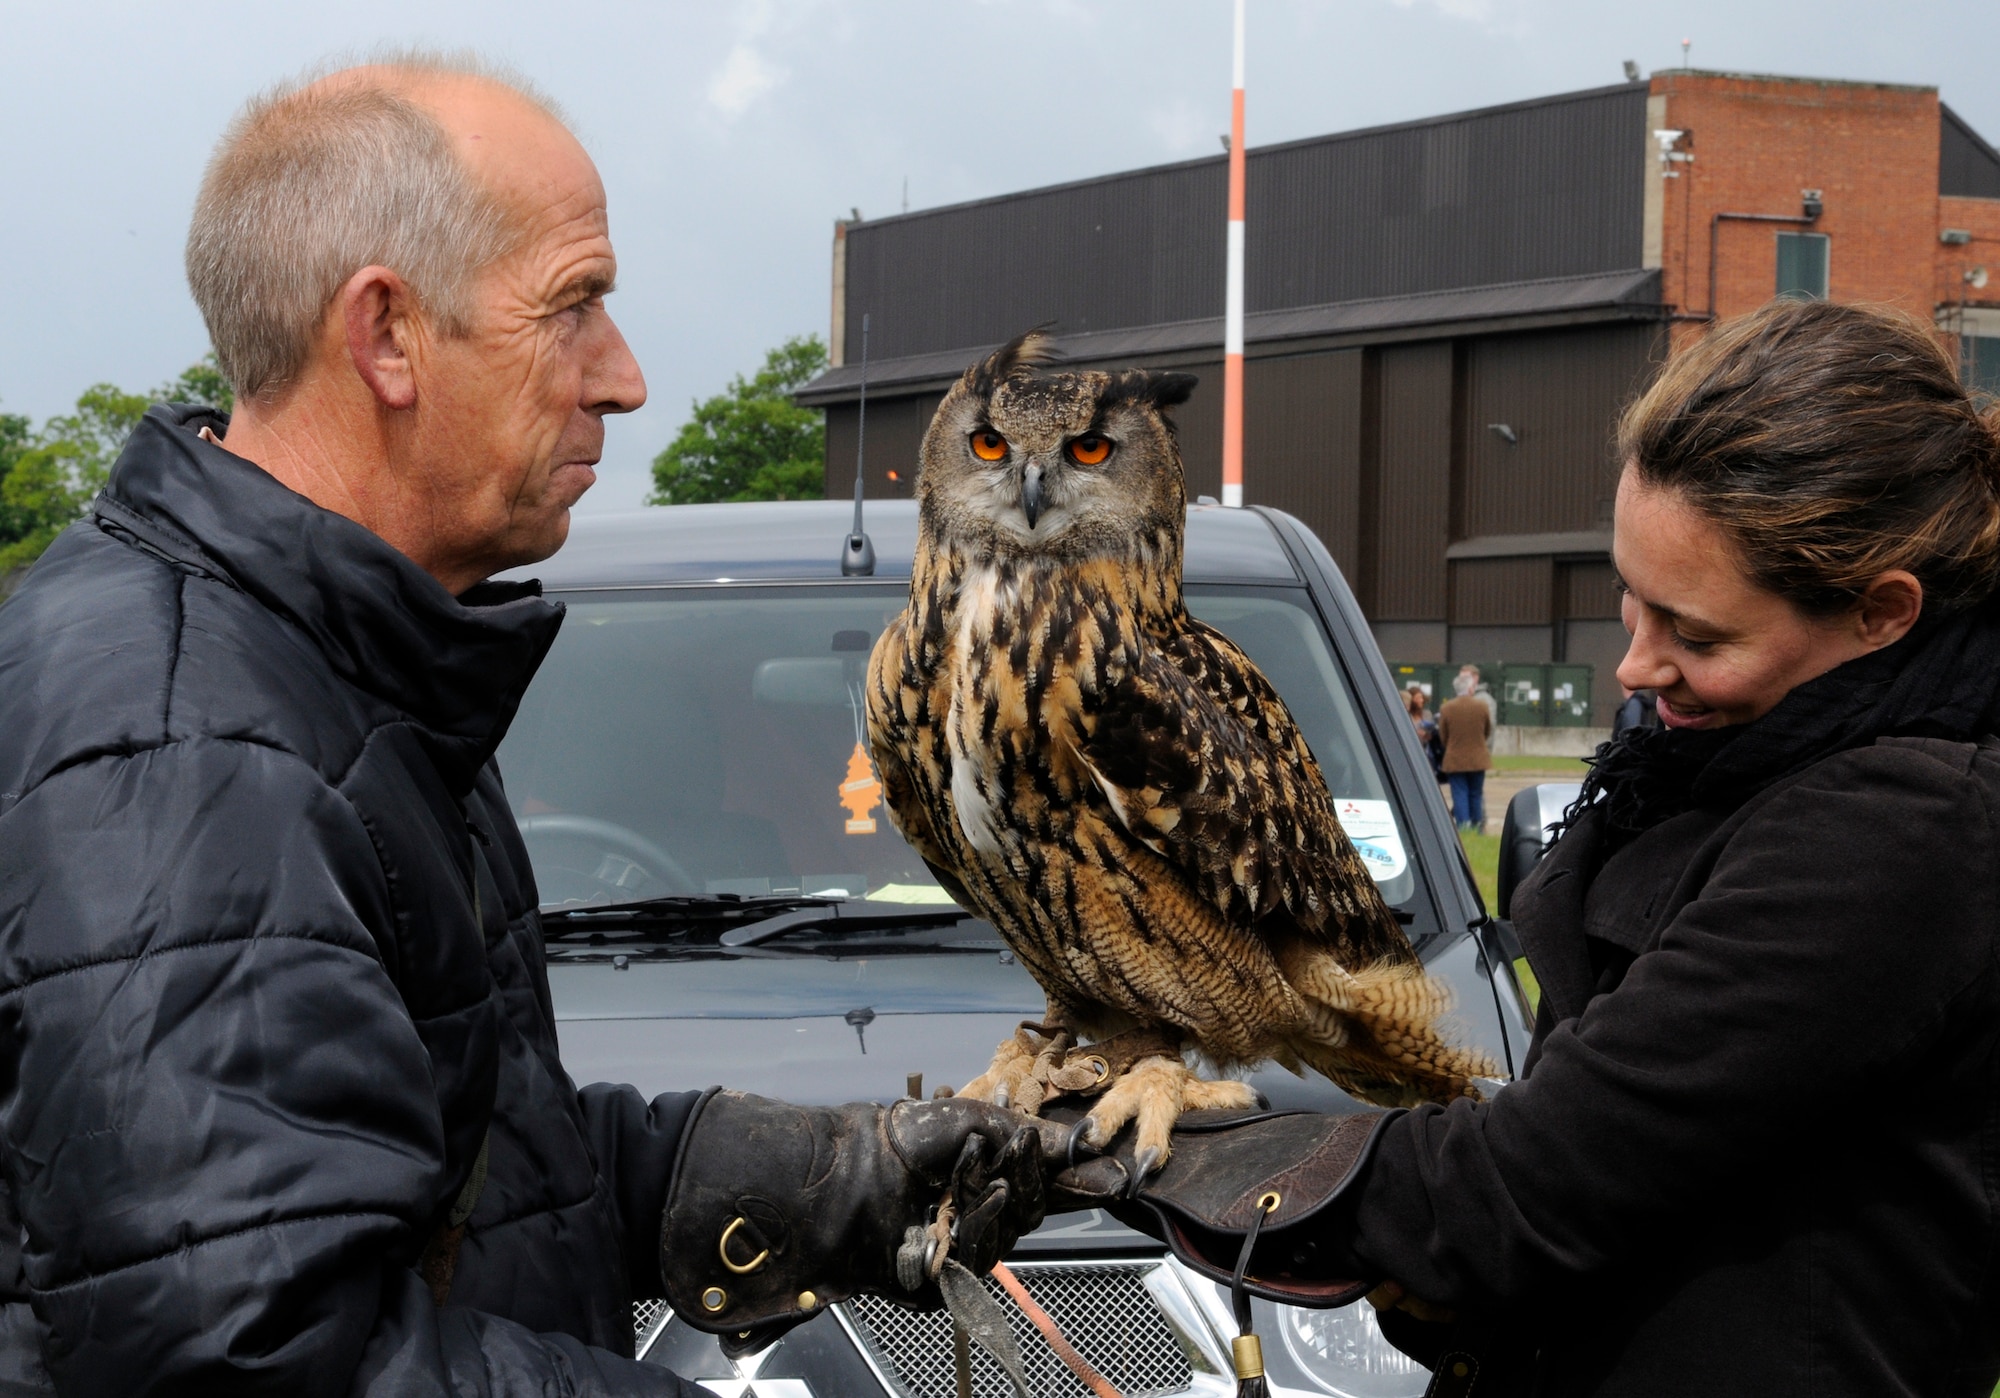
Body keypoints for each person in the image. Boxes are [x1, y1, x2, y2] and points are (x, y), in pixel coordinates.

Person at [0, 56, 1041, 1395]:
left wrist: (824, 1176)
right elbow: (255, 1358)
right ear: (386, 335)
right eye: (575, 306)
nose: (625, 378)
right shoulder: (177, 737)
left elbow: (448, 1176)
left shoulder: (330, 663)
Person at [1111, 299, 2000, 1395]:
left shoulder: (1902, 829)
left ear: (1880, 612)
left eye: (1694, 632)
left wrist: (1118, 1153)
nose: (1634, 664)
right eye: (1629, 601)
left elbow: (1522, 1188)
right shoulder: (1737, 774)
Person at [1436, 670, 1494, 831]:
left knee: (1459, 793)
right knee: (1476, 793)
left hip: (1455, 758)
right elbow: (1487, 730)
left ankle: (1463, 825)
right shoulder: (1481, 706)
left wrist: (1452, 746)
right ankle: (1477, 824)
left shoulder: (1447, 708)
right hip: (1478, 757)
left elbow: (1443, 734)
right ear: (1470, 689)